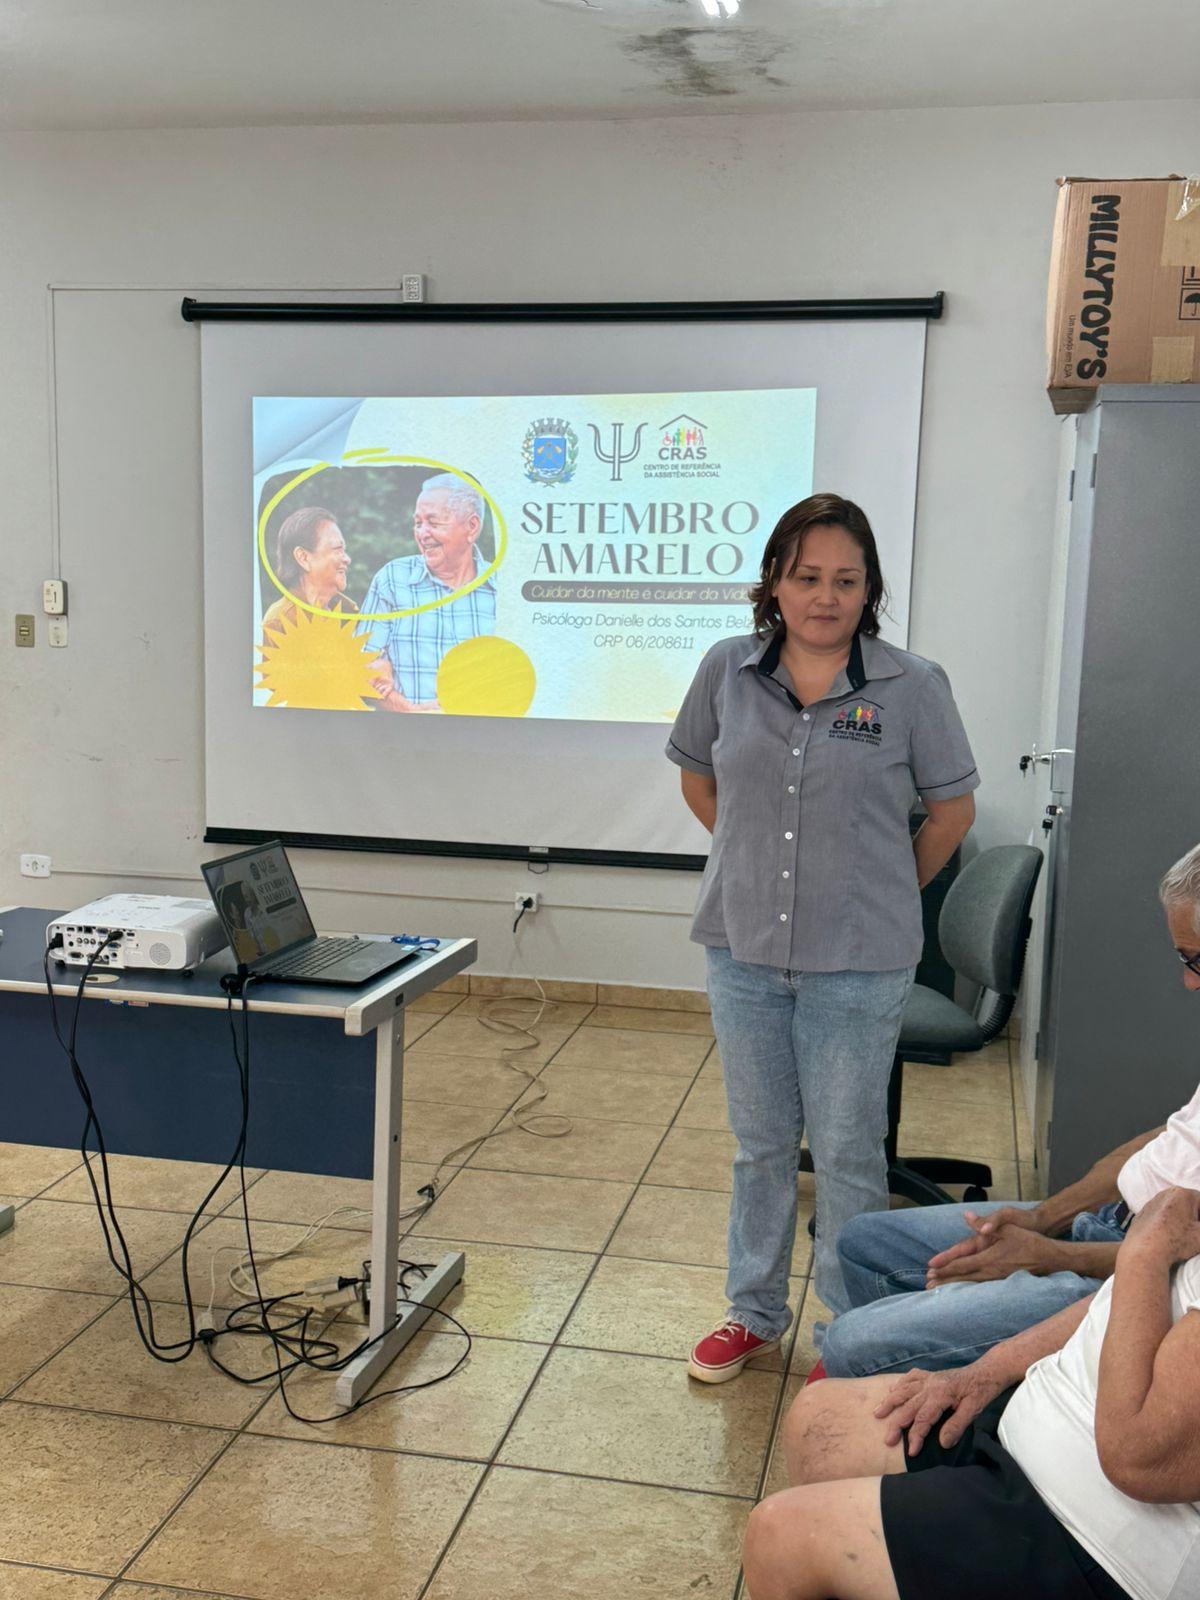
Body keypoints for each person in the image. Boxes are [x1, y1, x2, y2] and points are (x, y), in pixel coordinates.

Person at [665, 492, 978, 1383]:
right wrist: (755, 865)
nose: (826, 596)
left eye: (847, 579)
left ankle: (848, 1331)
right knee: (761, 1146)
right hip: (744, 949)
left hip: (860, 963)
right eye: (807, 577)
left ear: (869, 588)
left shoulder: (911, 685)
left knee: (845, 1150)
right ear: (774, 582)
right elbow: (699, 781)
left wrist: (880, 890)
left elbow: (951, 810)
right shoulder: (727, 670)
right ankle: (752, 1312)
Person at [820, 841, 1200, 1380]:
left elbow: (1182, 1261)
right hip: (1107, 1227)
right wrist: (1043, 1219)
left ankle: (964, 1399)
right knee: (862, 1242)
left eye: (1196, 960)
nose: (1188, 981)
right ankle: (925, 1368)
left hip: (1134, 1281)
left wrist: (1050, 1256)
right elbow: (1164, 1143)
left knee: (848, 1346)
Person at [742, 1184, 1200, 1600]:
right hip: (1041, 1424)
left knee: (781, 1539)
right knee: (819, 1423)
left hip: (1099, 1540)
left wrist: (1143, 1254)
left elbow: (1139, 1459)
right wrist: (985, 1371)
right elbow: (1115, 1300)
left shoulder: (1155, 1246)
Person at [360, 473, 497, 712]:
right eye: (418, 523)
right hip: (405, 738)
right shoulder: (392, 579)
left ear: (472, 527)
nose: (422, 534)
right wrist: (407, 710)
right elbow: (359, 667)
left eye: (433, 523)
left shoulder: (505, 589)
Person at [261, 505, 393, 702]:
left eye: (344, 550)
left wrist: (383, 667)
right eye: (338, 550)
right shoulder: (279, 621)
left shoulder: (350, 611)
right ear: (303, 558)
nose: (347, 559)